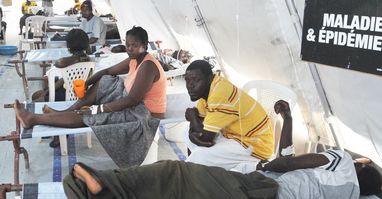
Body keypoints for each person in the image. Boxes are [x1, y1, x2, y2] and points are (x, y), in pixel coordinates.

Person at [36, 99, 382, 199]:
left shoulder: (340, 162)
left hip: (255, 193)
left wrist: (273, 164)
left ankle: (108, 187)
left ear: (361, 164)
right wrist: (288, 120)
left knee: (176, 174)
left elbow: (287, 162)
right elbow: (290, 160)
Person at [14, 26, 166, 166]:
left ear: (145, 45)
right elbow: (107, 72)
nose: (130, 49)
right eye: (128, 45)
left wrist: (98, 109)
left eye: (135, 45)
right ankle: (65, 113)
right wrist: (87, 83)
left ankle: (33, 119)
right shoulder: (134, 59)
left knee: (92, 116)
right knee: (106, 80)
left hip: (143, 112)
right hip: (132, 101)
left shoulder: (148, 65)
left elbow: (132, 100)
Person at [184, 60, 274, 173]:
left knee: (199, 157)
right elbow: (200, 124)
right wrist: (194, 134)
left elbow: (205, 136)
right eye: (187, 80)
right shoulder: (207, 90)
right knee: (188, 136)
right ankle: (203, 170)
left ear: (209, 78)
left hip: (255, 144)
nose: (190, 86)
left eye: (196, 80)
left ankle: (195, 173)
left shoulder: (220, 93)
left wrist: (193, 118)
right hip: (234, 135)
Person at [31, 28, 91, 147]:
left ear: (68, 45)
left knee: (38, 101)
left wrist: (77, 57)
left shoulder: (72, 60)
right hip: (76, 93)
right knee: (37, 95)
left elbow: (59, 63)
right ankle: (52, 126)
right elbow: (65, 78)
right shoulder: (87, 58)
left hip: (69, 94)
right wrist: (46, 91)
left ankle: (57, 131)